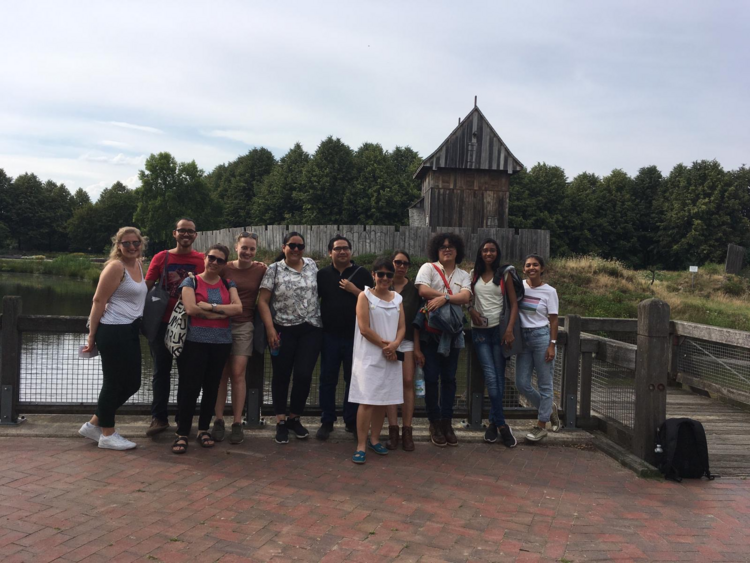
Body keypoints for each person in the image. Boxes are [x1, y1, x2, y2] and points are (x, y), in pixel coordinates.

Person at [78, 227, 148, 450]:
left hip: (129, 330)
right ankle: (107, 434)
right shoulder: (115, 267)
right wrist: (91, 336)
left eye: (135, 243)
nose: (131, 247)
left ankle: (94, 423)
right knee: (113, 382)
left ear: (141, 244)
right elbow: (98, 301)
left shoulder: (138, 264)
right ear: (118, 246)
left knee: (134, 382)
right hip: (113, 329)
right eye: (126, 243)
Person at [171, 244, 242, 454]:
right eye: (212, 258)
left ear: (224, 264)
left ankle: (203, 429)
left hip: (220, 343)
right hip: (194, 343)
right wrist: (222, 313)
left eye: (220, 260)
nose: (215, 263)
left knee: (212, 388)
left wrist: (209, 308)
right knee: (189, 388)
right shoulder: (191, 281)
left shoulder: (229, 284)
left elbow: (238, 309)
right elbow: (191, 308)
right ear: (205, 258)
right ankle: (182, 432)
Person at [256, 232, 323, 445]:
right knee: (281, 375)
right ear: (284, 247)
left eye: (300, 246)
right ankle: (280, 421)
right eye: (292, 245)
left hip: (311, 328)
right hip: (282, 329)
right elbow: (263, 301)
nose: (296, 249)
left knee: (304, 375)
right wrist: (269, 329)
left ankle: (295, 417)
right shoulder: (273, 270)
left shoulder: (312, 265)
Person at [144, 218, 204, 437]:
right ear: (174, 233)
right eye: (182, 231)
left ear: (195, 235)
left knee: (188, 374)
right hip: (161, 323)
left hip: (189, 324)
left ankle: (183, 418)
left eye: (190, 231)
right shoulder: (162, 257)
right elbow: (146, 287)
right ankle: (159, 418)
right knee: (161, 371)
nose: (186, 235)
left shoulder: (203, 259)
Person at [415, 233, 472, 447]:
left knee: (449, 380)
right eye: (442, 247)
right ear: (436, 250)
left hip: (453, 335)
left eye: (451, 246)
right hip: (431, 335)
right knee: (431, 379)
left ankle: (447, 422)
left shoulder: (463, 274)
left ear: (457, 250)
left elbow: (466, 297)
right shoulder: (428, 268)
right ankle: (434, 422)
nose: (447, 249)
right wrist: (450, 296)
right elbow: (422, 290)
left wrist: (443, 298)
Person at [315, 235, 374, 441]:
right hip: (329, 335)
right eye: (337, 248)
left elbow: (373, 301)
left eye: (345, 248)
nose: (342, 252)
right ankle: (327, 420)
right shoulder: (321, 274)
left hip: (356, 336)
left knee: (354, 379)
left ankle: (351, 420)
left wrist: (354, 290)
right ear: (330, 252)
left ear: (351, 251)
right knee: (327, 379)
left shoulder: (363, 273)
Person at [212, 232, 267, 445]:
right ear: (236, 247)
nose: (248, 252)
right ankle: (218, 420)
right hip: (220, 323)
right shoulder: (224, 267)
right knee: (220, 374)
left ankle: (236, 422)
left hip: (244, 325)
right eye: (244, 247)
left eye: (252, 249)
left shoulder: (260, 269)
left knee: (238, 373)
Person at [349, 258, 406, 464]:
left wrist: (395, 344)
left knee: (382, 400)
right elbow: (364, 329)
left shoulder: (397, 299)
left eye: (388, 275)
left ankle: (375, 439)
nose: (384, 278)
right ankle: (361, 445)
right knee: (366, 401)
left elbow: (402, 327)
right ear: (373, 275)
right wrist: (386, 346)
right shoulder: (364, 296)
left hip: (390, 356)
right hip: (369, 356)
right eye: (380, 274)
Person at [468, 239, 520, 448]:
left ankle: (493, 424)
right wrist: (471, 310)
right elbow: (468, 299)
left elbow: (514, 304)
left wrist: (509, 330)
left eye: (492, 250)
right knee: (491, 376)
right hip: (480, 331)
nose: (488, 253)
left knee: (498, 377)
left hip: (499, 330)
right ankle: (502, 425)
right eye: (485, 250)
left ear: (497, 253)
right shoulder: (474, 274)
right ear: (480, 253)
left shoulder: (504, 274)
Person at [516, 253, 560, 442]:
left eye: (535, 265)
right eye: (528, 265)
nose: (531, 268)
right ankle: (548, 408)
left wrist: (552, 344)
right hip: (523, 339)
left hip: (542, 337)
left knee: (544, 384)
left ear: (542, 269)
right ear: (524, 269)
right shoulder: (520, 287)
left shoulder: (549, 291)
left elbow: (554, 319)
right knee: (522, 383)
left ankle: (541, 425)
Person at [384, 250, 424, 452]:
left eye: (405, 263)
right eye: (398, 262)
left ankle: (407, 429)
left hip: (407, 340)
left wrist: (417, 347)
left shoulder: (414, 290)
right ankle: (393, 429)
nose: (401, 266)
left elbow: (417, 321)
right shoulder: (384, 284)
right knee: (390, 383)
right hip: (386, 342)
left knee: (407, 382)